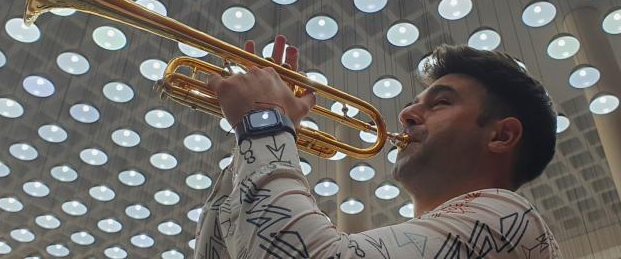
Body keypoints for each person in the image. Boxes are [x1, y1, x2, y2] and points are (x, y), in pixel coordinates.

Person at [194, 35, 562, 258]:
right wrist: (251, 140)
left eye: (441, 102)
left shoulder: (509, 219)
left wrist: (264, 120)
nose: (406, 114)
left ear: (501, 136)